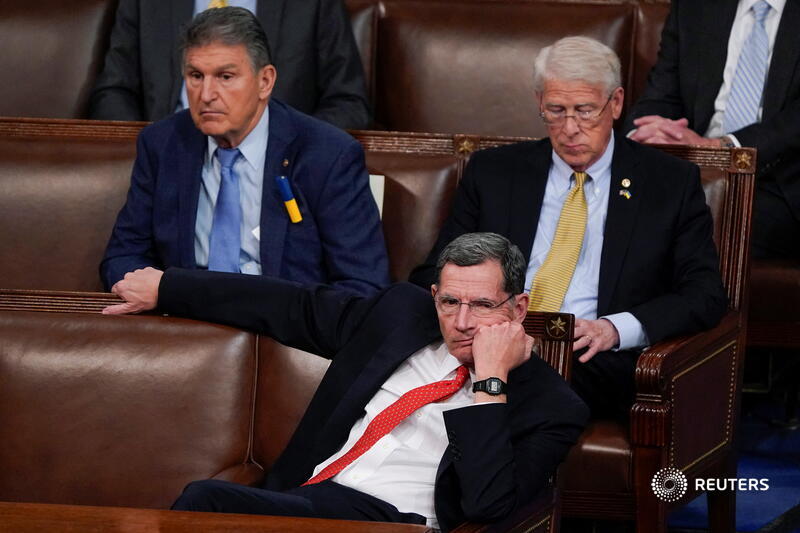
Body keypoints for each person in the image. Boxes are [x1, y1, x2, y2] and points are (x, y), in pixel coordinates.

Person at [102, 232, 589, 531]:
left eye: (482, 306)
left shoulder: (552, 406)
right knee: (203, 499)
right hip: (309, 499)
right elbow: (291, 306)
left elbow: (488, 505)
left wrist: (490, 382)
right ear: (434, 295)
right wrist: (169, 286)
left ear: (518, 308)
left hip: (397, 523)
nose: (461, 322)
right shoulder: (400, 316)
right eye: (449, 303)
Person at [409, 36, 727, 418]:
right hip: (486, 339)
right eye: (556, 111)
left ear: (616, 102)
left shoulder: (669, 183)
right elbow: (434, 273)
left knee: (522, 385)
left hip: (588, 357)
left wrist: (614, 328)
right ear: (539, 103)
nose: (570, 128)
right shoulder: (495, 173)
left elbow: (704, 294)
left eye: (585, 111)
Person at [100, 7, 389, 296]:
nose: (206, 94)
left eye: (225, 76)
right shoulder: (162, 144)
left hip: (285, 330)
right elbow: (122, 257)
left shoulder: (327, 155)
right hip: (183, 324)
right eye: (196, 75)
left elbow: (363, 286)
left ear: (265, 81)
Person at [625, 0, 800, 259]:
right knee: (607, 203)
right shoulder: (696, 6)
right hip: (691, 171)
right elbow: (662, 94)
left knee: (688, 221)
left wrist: (723, 147)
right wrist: (646, 136)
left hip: (781, 182)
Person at [89, 0, 370, 131]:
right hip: (169, 163)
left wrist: (285, 148)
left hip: (275, 170)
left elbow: (348, 102)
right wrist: (152, 148)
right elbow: (114, 92)